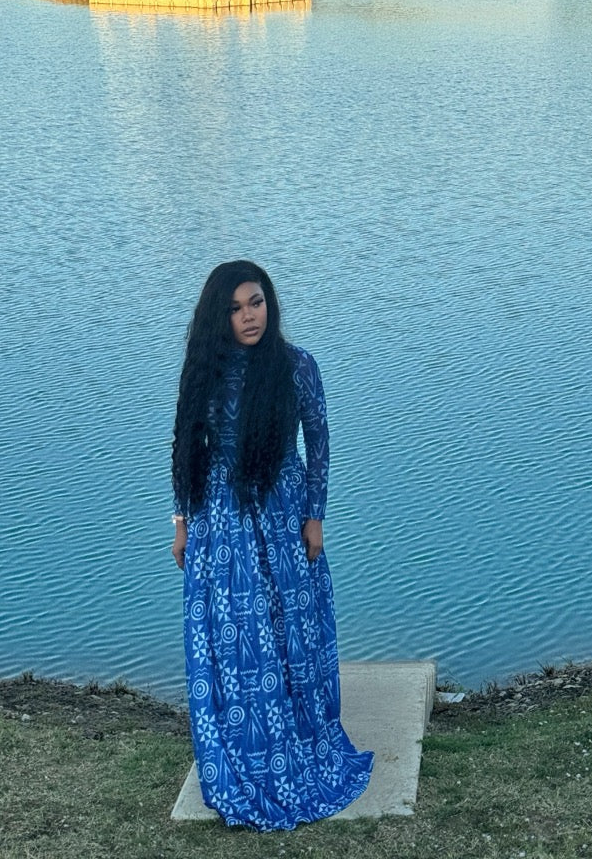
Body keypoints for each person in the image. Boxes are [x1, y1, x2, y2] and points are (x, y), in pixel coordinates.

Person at [170, 260, 373, 830]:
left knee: (289, 628)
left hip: (283, 514)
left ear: (269, 302)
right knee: (236, 638)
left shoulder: (296, 367)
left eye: (255, 302)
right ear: (219, 316)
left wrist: (316, 516)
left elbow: (320, 443)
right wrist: (181, 520)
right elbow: (187, 442)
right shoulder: (204, 370)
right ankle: (243, 748)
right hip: (221, 522)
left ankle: (299, 736)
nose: (248, 316)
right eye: (234, 309)